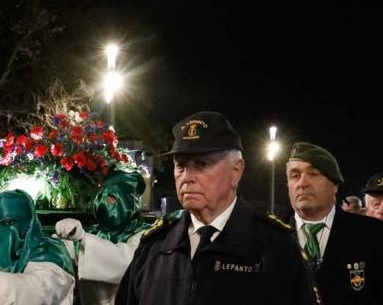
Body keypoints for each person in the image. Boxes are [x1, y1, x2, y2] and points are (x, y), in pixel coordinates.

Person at [116, 111, 317, 305]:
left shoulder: (276, 247)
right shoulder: (154, 247)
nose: (187, 177)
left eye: (202, 164)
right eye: (180, 165)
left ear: (235, 171)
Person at [287, 143, 383, 303]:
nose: (302, 183)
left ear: (334, 184)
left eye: (313, 174)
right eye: (294, 175)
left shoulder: (372, 235)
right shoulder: (269, 237)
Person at [54, 169, 149, 305]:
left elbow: (126, 262)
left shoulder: (144, 234)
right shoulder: (94, 232)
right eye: (101, 195)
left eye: (112, 197)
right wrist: (57, 242)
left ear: (127, 202)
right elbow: (69, 258)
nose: (103, 201)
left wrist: (82, 238)